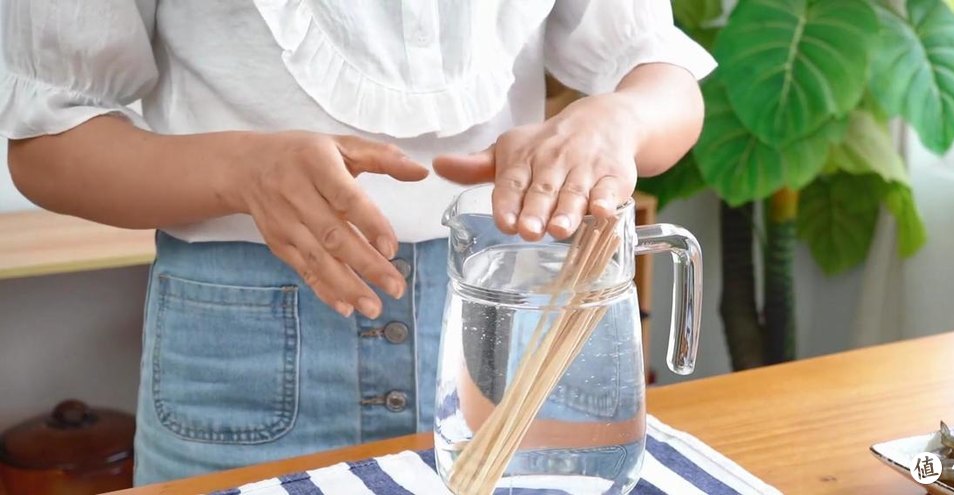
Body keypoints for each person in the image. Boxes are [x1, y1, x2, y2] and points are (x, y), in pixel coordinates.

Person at [0, 0, 715, 485]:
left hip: (502, 335)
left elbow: (658, 74)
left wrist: (619, 118)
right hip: (244, 350)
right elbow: (49, 142)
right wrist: (240, 172)